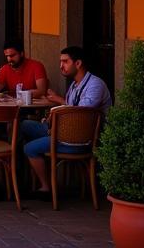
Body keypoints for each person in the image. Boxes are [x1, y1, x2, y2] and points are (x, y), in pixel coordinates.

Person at [20, 46, 111, 199]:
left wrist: (58, 103)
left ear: (78, 63)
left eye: (65, 62)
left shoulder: (95, 84)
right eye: (60, 62)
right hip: (64, 131)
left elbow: (81, 113)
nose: (61, 66)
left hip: (80, 139)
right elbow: (69, 109)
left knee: (29, 148)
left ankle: (46, 187)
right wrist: (54, 110)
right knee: (23, 125)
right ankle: (24, 177)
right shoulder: (74, 86)